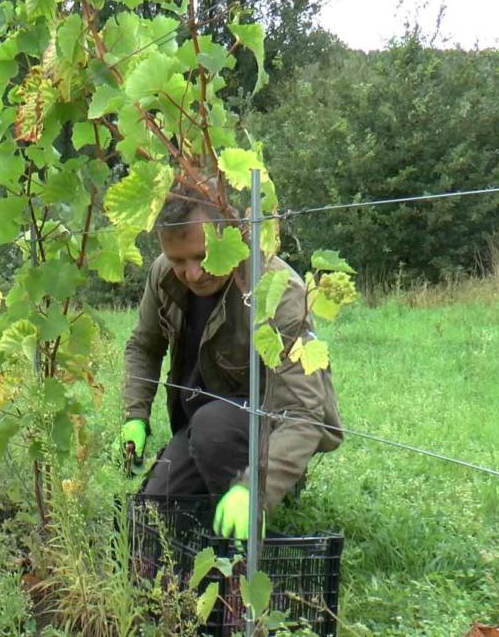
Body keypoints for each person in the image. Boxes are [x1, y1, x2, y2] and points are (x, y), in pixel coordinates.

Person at [119, 183, 343, 539]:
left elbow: (303, 414)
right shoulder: (163, 276)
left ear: (232, 235)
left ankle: (255, 520)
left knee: (213, 427)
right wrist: (135, 416)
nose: (192, 274)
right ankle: (215, 502)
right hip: (201, 423)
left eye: (203, 256)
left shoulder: (276, 290)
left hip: (264, 428)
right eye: (178, 261)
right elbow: (143, 346)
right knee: (153, 518)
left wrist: (253, 491)